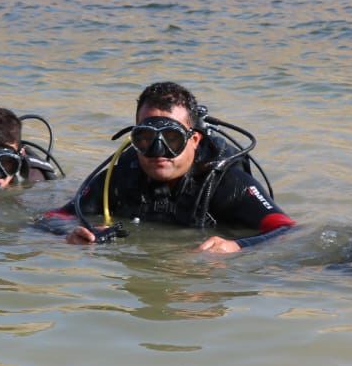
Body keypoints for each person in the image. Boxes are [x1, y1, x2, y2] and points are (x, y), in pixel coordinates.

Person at [38, 82, 295, 253]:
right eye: (146, 138)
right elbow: (52, 218)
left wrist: (238, 246)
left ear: (194, 140)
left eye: (171, 139)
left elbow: (287, 231)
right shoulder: (120, 176)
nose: (157, 152)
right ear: (134, 138)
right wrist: (72, 234)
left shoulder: (227, 182)